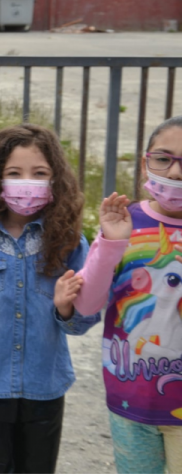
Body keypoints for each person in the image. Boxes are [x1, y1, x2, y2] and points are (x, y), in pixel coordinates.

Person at [0, 124, 100, 473]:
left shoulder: (69, 241)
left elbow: (84, 321)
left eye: (39, 173)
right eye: (15, 173)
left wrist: (65, 307)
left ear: (55, 179)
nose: (27, 181)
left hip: (46, 384)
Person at [73, 116, 182, 473]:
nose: (175, 172)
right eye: (164, 158)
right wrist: (111, 242)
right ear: (145, 161)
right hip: (129, 402)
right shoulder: (126, 222)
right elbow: (88, 305)